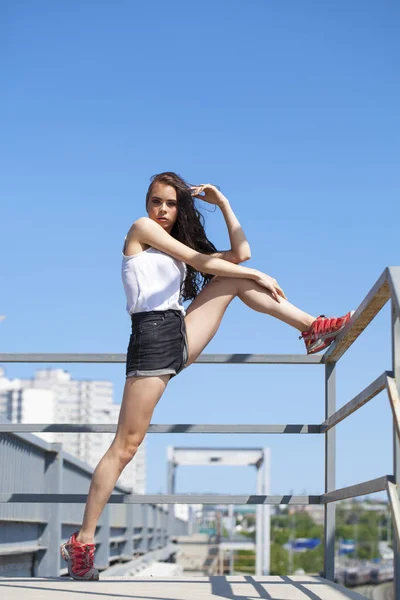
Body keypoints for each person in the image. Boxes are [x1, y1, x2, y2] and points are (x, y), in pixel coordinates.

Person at [61, 171, 352, 580]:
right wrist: (259, 277)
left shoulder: (177, 246)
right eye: (155, 201)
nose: (161, 210)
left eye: (170, 203)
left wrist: (225, 204)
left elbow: (241, 252)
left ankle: (312, 328)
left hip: (179, 328)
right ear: (147, 205)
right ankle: (83, 542)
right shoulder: (140, 229)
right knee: (126, 445)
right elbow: (203, 262)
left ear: (180, 208)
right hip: (150, 339)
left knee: (231, 278)